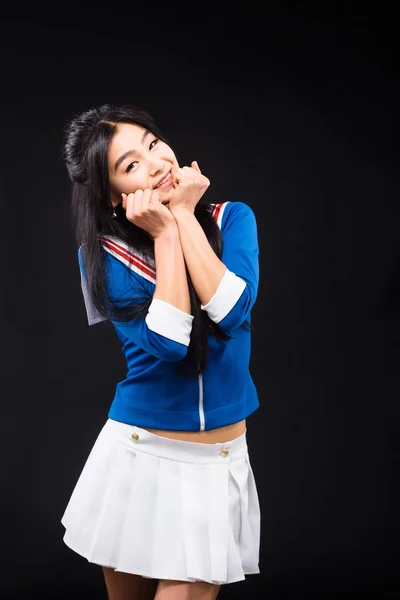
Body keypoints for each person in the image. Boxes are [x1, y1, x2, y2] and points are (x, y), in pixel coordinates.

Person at [60, 103, 261, 600]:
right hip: (138, 456)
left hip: (216, 462)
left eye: (152, 144)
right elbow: (170, 344)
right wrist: (166, 234)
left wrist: (184, 215)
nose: (155, 163)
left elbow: (232, 311)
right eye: (130, 165)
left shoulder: (232, 218)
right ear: (111, 196)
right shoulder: (99, 258)